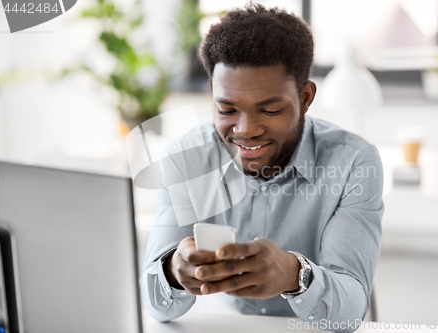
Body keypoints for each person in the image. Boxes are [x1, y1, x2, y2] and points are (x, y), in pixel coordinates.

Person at [141, 4, 383, 332]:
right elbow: (155, 305)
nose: (246, 130)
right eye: (226, 109)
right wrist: (173, 272)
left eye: (270, 110)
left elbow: (351, 310)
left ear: (306, 97)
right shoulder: (187, 157)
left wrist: (294, 275)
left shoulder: (353, 162)